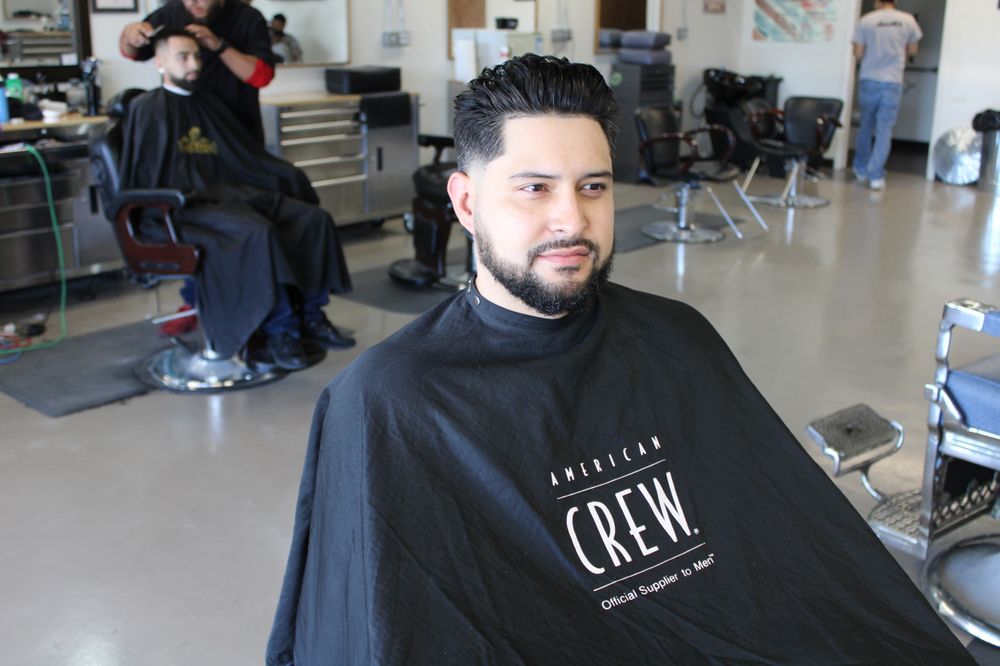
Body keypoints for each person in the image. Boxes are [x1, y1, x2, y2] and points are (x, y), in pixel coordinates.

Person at [265, 55, 973, 664]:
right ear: (467, 201)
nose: (572, 219)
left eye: (593, 186)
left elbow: (789, 545)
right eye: (534, 187)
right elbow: (376, 628)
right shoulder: (389, 401)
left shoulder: (677, 338)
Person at [120, 29, 353, 369]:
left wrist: (286, 176)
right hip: (180, 209)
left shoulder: (208, 103)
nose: (194, 64)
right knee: (257, 232)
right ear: (160, 62)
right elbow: (146, 174)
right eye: (183, 57)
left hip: (230, 195)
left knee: (312, 219)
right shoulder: (147, 109)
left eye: (197, 56)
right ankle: (281, 331)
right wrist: (196, 193)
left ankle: (312, 316)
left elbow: (242, 157)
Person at [119, 0, 276, 144]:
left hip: (235, 132)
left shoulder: (248, 18)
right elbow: (133, 52)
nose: (192, 2)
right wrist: (129, 35)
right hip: (183, 132)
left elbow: (262, 77)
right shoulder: (170, 13)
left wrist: (218, 45)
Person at [851, 0, 922, 191]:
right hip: (892, 81)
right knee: (884, 130)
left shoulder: (866, 20)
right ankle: (875, 176)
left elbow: (858, 53)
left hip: (869, 79)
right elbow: (913, 49)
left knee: (865, 126)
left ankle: (860, 169)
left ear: (877, 2)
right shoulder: (907, 20)